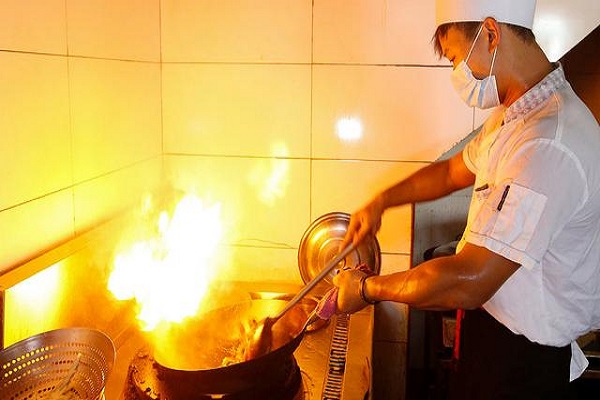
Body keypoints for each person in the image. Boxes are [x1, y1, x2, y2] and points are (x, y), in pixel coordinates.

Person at [333, 0, 600, 398]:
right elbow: (449, 172)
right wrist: (382, 201)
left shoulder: (547, 143)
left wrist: (367, 288)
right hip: (492, 334)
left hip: (523, 364)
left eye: (457, 58)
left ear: (491, 34)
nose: (460, 75)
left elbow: (469, 280)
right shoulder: (516, 114)